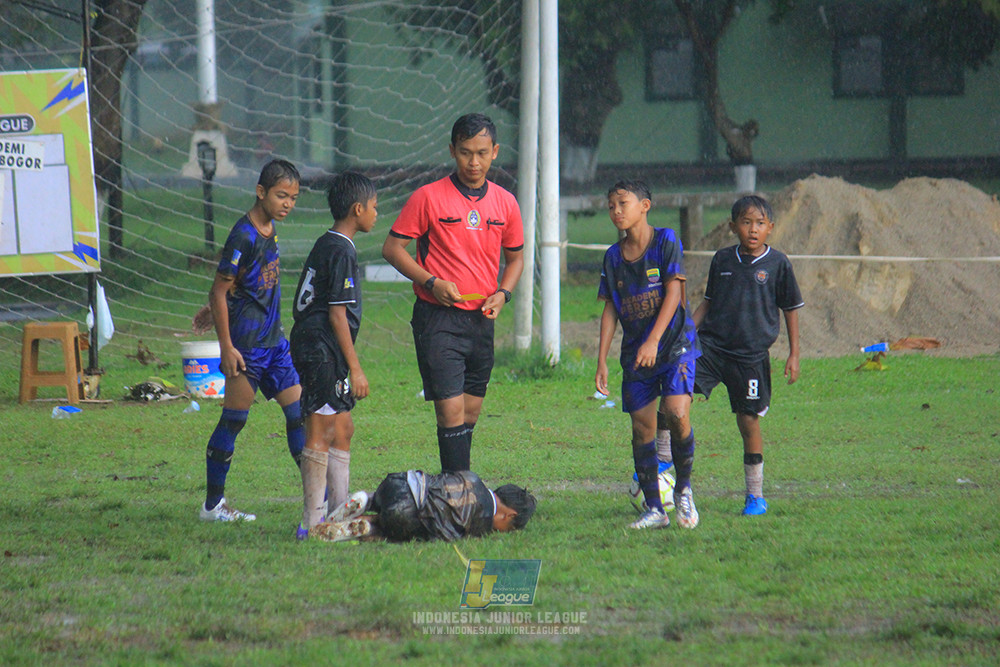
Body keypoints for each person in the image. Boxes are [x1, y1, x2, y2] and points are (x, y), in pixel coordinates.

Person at [381, 113, 524, 474]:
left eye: (481, 153)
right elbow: (392, 249)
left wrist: (503, 294)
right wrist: (432, 282)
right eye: (465, 153)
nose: (473, 162)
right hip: (437, 319)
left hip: (481, 321)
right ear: (452, 151)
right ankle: (457, 491)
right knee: (450, 411)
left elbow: (516, 259)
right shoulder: (427, 197)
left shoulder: (506, 202)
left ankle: (456, 484)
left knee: (470, 412)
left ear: (495, 152)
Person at [199, 159, 305, 522]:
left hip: (275, 345)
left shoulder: (270, 227)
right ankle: (213, 505)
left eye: (293, 197)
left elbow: (240, 285)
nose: (287, 203)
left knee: (299, 416)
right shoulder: (243, 235)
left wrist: (217, 306)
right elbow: (219, 289)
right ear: (261, 192)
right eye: (281, 195)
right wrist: (226, 347)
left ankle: (318, 500)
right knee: (233, 421)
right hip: (247, 348)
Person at [595, 180, 701, 530]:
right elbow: (610, 309)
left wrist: (654, 340)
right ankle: (655, 509)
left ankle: (683, 489)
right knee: (642, 429)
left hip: (674, 346)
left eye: (622, 203)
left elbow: (674, 294)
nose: (616, 211)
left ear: (645, 206)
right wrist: (601, 360)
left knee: (676, 413)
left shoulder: (666, 240)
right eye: (611, 206)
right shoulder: (613, 257)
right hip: (636, 354)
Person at [692, 194, 803, 516]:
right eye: (746, 222)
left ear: (770, 227)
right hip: (712, 347)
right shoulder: (722, 260)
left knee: (748, 421)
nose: (753, 229)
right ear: (732, 226)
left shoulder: (778, 264)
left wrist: (794, 354)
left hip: (750, 356)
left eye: (760, 223)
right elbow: (708, 302)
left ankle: (755, 496)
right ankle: (661, 462)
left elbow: (791, 309)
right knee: (676, 391)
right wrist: (685, 334)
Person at [290, 172, 377, 539]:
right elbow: (337, 314)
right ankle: (312, 524)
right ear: (357, 209)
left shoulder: (330, 242)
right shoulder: (341, 249)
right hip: (320, 347)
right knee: (321, 428)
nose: (376, 213)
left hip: (323, 346)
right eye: (374, 207)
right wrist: (355, 368)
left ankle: (339, 516)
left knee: (343, 428)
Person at [309, 470, 536, 543]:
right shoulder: (483, 521)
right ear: (508, 516)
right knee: (404, 528)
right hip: (408, 516)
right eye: (508, 530)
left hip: (398, 484)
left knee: (385, 501)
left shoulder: (472, 478)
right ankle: (371, 527)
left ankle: (367, 500)